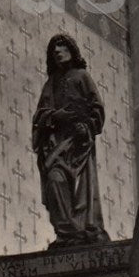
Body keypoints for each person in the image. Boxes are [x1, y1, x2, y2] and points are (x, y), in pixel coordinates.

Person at [32, 33, 111, 249]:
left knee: (81, 189)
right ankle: (66, 233)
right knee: (55, 180)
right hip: (55, 145)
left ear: (71, 50)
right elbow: (39, 116)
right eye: (53, 49)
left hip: (78, 144)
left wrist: (86, 127)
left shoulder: (82, 76)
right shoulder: (50, 84)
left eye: (61, 46)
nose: (57, 51)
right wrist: (56, 117)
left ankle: (84, 229)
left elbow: (97, 108)